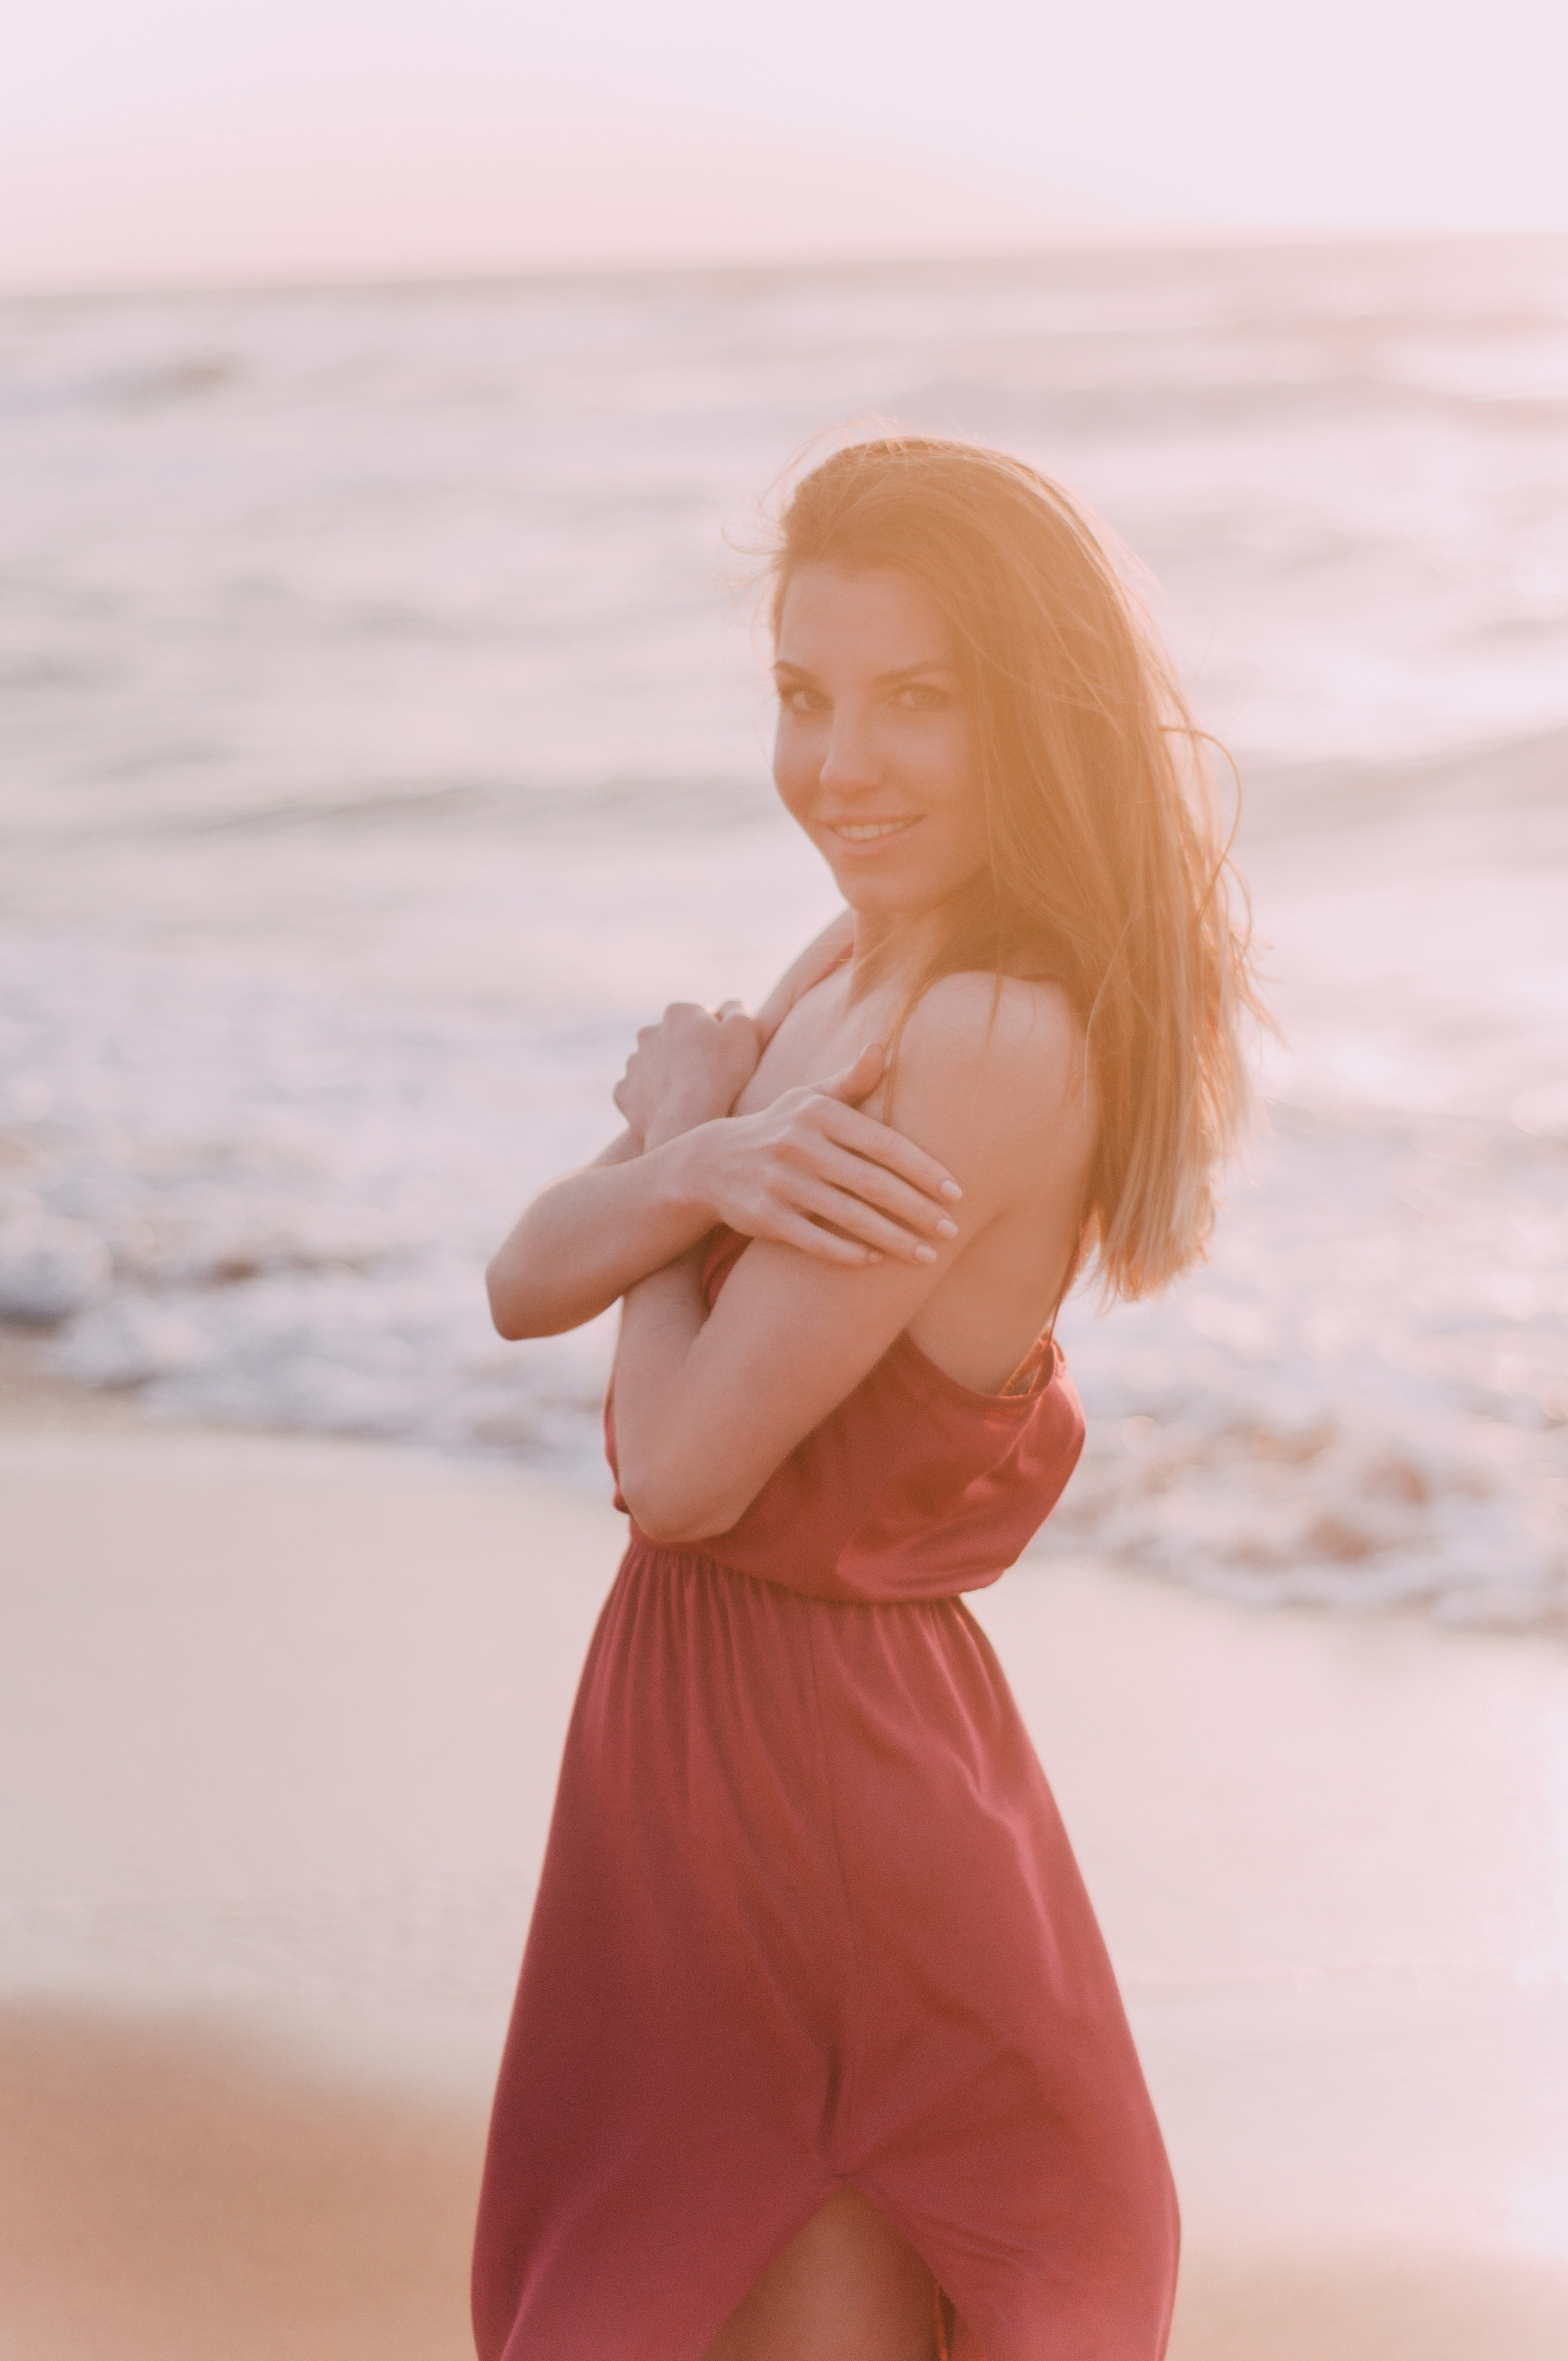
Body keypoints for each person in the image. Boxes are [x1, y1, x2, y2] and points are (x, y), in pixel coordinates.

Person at [472, 436, 1259, 2361]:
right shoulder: (851, 954)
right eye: (804, 699)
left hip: (824, 1804)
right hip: (707, 1756)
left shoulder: (988, 1031)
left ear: (1032, 719)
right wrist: (690, 1169)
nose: (842, 766)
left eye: (919, 701)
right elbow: (518, 1281)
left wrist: (681, 1152)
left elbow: (679, 1472)